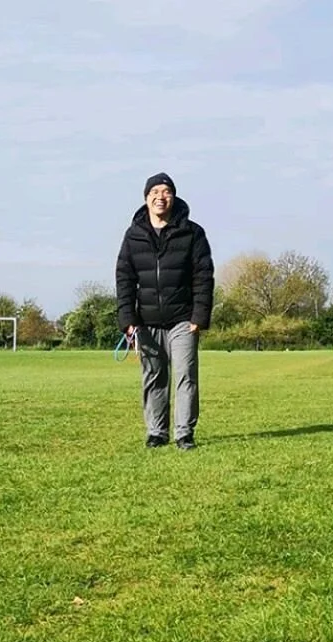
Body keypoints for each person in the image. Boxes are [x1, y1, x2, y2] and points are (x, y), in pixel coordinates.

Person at [115, 172, 215, 450]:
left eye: (166, 191)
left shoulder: (193, 233)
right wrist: (127, 320)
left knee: (186, 376)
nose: (161, 196)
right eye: (155, 192)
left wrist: (199, 317)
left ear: (174, 196)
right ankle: (157, 432)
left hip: (183, 320)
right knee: (154, 377)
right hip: (146, 323)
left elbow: (204, 276)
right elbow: (124, 278)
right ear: (146, 198)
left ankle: (184, 434)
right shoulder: (133, 235)